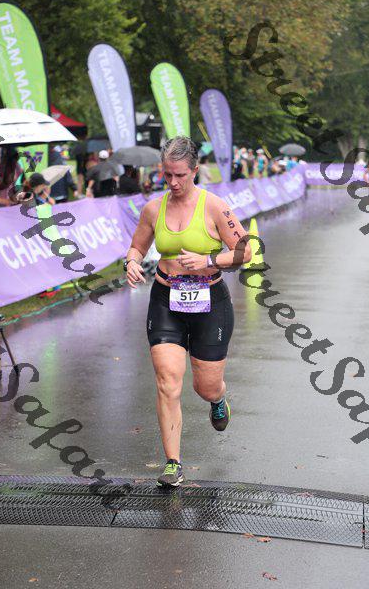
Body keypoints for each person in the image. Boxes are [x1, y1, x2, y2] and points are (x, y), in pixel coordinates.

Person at [124, 136, 251, 487]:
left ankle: (218, 399)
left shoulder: (215, 207)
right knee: (167, 381)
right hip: (166, 299)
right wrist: (131, 262)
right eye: (167, 175)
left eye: (180, 175)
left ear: (195, 170)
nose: (173, 182)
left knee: (205, 387)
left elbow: (245, 252)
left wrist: (209, 259)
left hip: (210, 301)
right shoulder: (153, 209)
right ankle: (173, 463)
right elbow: (137, 247)